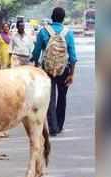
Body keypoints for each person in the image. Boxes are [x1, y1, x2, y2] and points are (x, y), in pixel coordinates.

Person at [32, 7, 77, 136]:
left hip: (48, 69)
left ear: (52, 17)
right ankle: (60, 125)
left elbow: (36, 53)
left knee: (50, 98)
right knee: (62, 97)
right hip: (64, 69)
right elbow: (73, 56)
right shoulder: (68, 33)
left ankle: (53, 127)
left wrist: (36, 64)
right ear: (63, 18)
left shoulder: (43, 31)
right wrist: (72, 73)